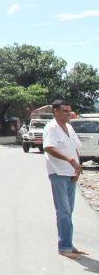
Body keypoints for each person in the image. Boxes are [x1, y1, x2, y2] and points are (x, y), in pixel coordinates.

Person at [43, 100, 87, 259]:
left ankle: (69, 243)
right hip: (58, 173)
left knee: (69, 212)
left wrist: (77, 166)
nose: (69, 114)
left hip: (70, 173)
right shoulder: (51, 128)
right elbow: (48, 147)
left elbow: (74, 148)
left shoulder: (68, 127)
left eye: (69, 111)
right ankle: (64, 247)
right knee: (63, 212)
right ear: (56, 111)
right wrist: (69, 160)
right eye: (66, 111)